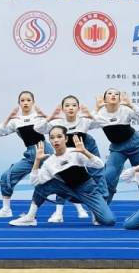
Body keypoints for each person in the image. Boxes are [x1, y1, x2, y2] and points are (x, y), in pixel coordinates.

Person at [9, 126, 115, 227]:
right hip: (67, 189)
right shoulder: (49, 162)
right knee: (43, 185)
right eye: (52, 138)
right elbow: (35, 182)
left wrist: (85, 151)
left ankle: (95, 211)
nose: (56, 140)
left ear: (66, 139)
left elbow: (99, 165)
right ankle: (30, 217)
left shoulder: (75, 152)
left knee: (109, 220)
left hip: (87, 190)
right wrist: (37, 161)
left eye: (59, 136)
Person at [34, 95, 107, 223]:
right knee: (61, 177)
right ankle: (58, 213)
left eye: (74, 105)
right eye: (67, 105)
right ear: (62, 109)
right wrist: (51, 117)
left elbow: (103, 122)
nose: (70, 108)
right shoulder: (57, 123)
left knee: (97, 175)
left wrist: (91, 113)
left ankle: (97, 213)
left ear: (78, 108)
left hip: (83, 149)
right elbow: (38, 128)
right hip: (65, 154)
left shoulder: (84, 120)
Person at [0, 90, 51, 218]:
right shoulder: (16, 121)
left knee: (61, 178)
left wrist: (45, 116)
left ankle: (62, 212)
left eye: (29, 100)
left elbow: (51, 129)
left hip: (45, 150)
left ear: (33, 102)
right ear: (19, 103)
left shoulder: (38, 117)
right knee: (6, 177)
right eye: (22, 100)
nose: (25, 103)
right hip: (30, 153)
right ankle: (6, 209)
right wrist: (9, 117)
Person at [89, 88, 139, 203]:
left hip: (136, 145)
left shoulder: (125, 109)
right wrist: (96, 108)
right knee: (108, 176)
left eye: (116, 94)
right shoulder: (101, 113)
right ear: (104, 98)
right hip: (117, 149)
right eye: (110, 93)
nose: (113, 95)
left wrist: (131, 104)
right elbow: (87, 125)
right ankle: (103, 207)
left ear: (119, 98)